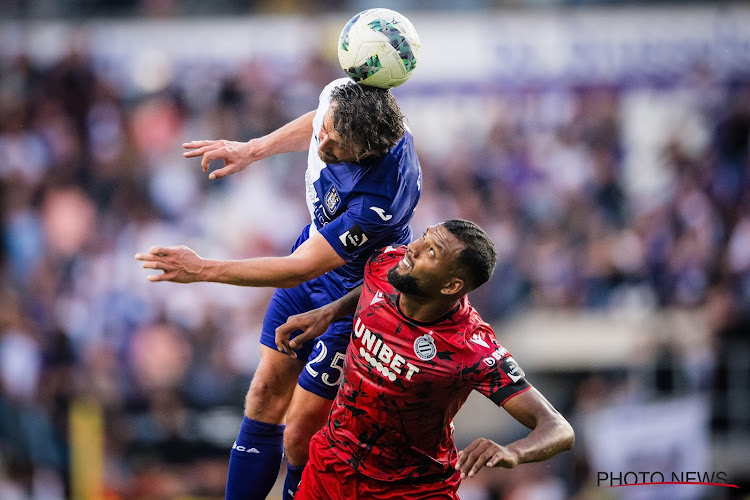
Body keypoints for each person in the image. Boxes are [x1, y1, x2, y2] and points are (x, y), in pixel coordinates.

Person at [135, 78, 421, 500]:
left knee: (300, 436)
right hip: (314, 255)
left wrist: (202, 269)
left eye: (336, 148)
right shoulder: (346, 98)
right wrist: (252, 149)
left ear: (364, 154)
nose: (321, 148)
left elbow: (296, 270)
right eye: (325, 132)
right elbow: (320, 124)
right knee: (264, 392)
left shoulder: (377, 202)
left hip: (353, 299)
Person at [275, 220, 575, 499]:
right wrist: (330, 312)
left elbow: (558, 428)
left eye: (431, 251)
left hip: (412, 489)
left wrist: (514, 452)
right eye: (424, 237)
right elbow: (372, 287)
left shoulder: (472, 348)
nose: (412, 249)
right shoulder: (389, 262)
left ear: (450, 286)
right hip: (332, 465)